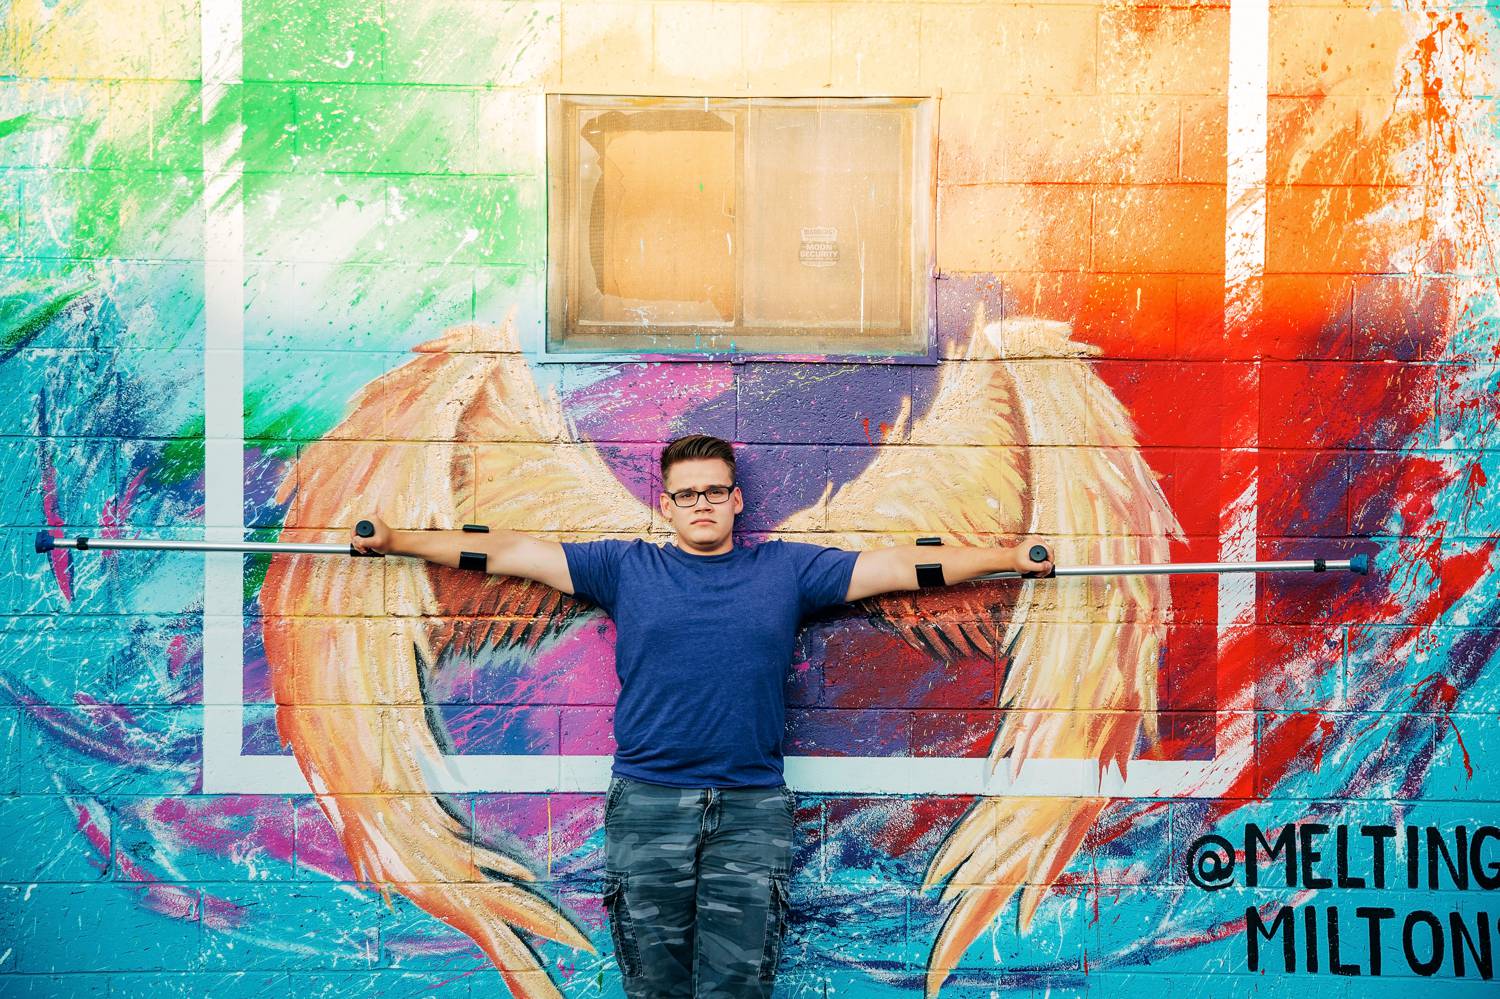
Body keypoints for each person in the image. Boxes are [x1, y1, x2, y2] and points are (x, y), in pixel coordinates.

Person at [352, 433, 1052, 998]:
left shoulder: (787, 570)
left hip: (750, 809)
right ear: (668, 505)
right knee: (652, 983)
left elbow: (903, 566)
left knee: (738, 982)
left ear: (736, 497)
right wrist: (395, 538)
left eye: (715, 490)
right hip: (649, 804)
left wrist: (1008, 558)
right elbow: (503, 551)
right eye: (687, 494)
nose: (702, 504)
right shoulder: (624, 567)